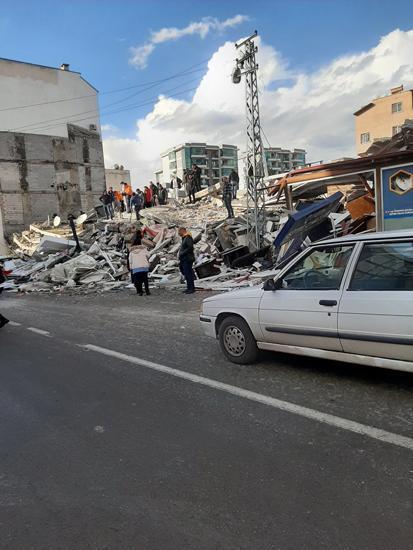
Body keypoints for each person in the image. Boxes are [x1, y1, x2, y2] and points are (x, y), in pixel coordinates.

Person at [127, 232, 150, 296]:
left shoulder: (131, 252)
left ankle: (140, 292)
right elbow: (148, 255)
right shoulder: (144, 249)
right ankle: (147, 291)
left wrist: (131, 268)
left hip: (136, 268)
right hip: (144, 266)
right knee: (145, 280)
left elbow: (130, 261)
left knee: (138, 280)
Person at [178, 227, 195, 294]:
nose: (178, 233)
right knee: (186, 273)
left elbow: (190, 247)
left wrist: (182, 253)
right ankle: (189, 288)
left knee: (188, 274)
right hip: (185, 258)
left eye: (179, 232)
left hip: (187, 258)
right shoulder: (185, 238)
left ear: (183, 231)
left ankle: (191, 289)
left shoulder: (188, 238)